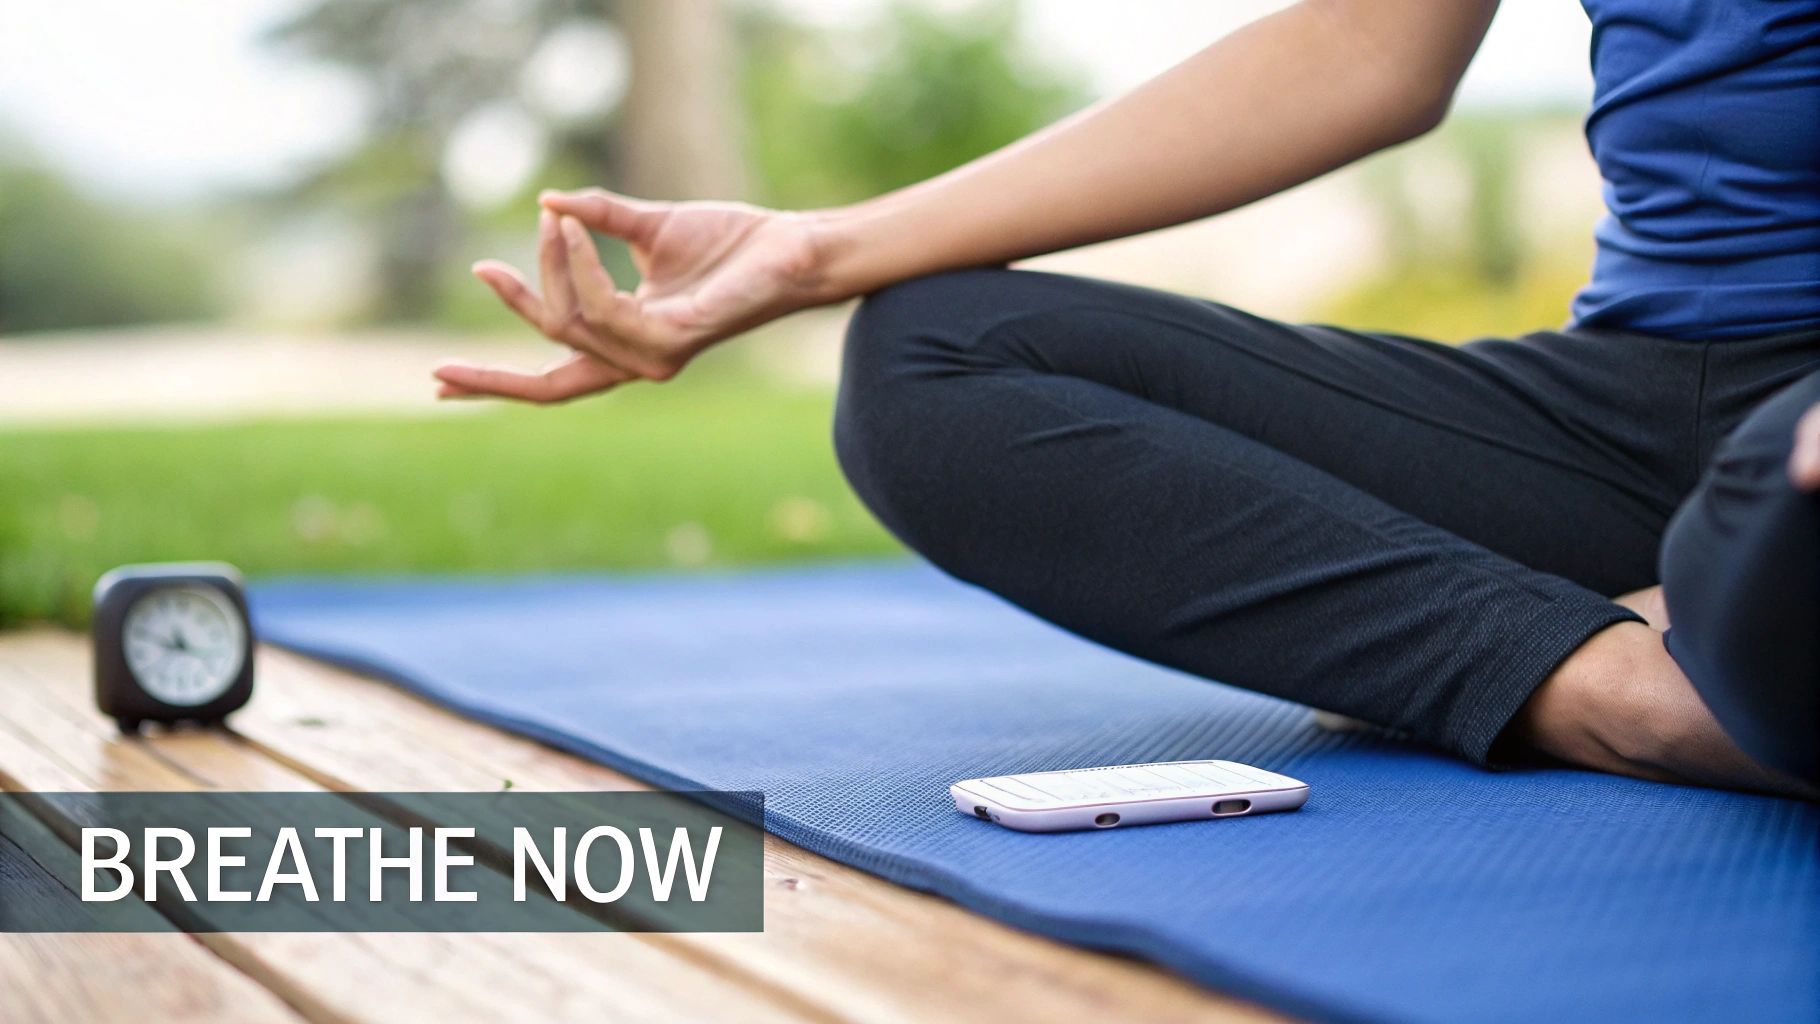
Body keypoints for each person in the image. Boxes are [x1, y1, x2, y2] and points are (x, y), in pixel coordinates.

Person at [435, 0, 1819, 798]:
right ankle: (1610, 683)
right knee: (936, 356)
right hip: (1630, 405)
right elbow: (1365, 45)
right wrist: (816, 250)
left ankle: (1688, 623)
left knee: (1765, 519)